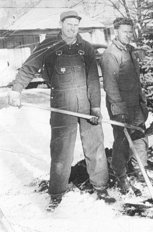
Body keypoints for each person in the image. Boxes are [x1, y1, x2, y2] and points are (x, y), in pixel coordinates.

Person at [8, 10, 115, 211]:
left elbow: (93, 79)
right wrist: (16, 91)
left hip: (86, 104)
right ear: (61, 24)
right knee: (61, 151)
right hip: (61, 105)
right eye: (69, 24)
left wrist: (95, 107)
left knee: (95, 146)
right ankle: (56, 194)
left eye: (76, 24)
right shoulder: (48, 45)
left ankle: (101, 188)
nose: (73, 28)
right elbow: (29, 67)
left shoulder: (86, 48)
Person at [100, 17, 148, 195]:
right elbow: (110, 86)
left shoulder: (130, 51)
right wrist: (119, 111)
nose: (128, 35)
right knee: (122, 143)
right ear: (116, 32)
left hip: (136, 105)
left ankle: (140, 173)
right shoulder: (111, 55)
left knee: (140, 139)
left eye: (130, 31)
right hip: (121, 107)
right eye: (124, 32)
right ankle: (121, 177)